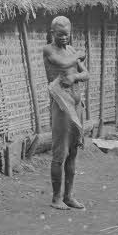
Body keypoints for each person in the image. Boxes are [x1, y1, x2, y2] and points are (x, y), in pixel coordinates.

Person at [43, 14, 88, 211]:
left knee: (73, 152)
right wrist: (78, 55)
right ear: (52, 32)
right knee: (60, 153)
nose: (63, 38)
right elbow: (62, 64)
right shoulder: (48, 50)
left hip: (76, 105)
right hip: (62, 106)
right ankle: (56, 198)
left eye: (66, 34)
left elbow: (86, 74)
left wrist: (75, 77)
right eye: (60, 34)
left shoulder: (70, 50)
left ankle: (68, 196)